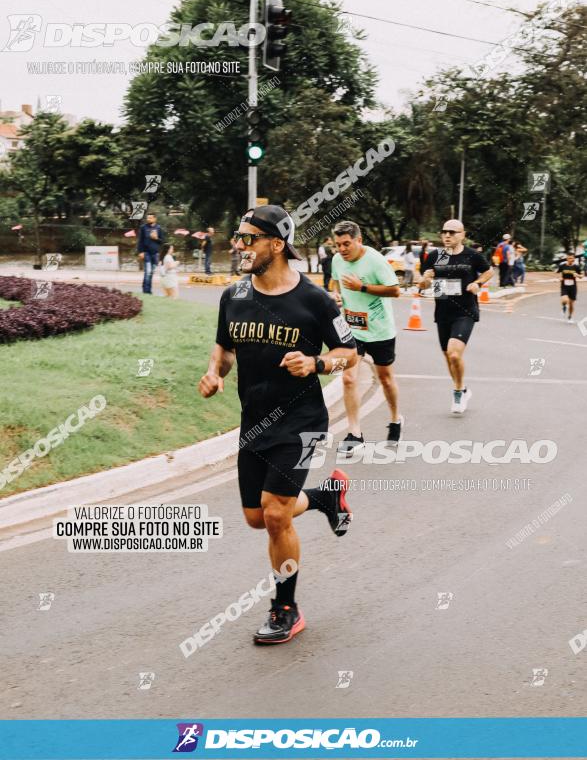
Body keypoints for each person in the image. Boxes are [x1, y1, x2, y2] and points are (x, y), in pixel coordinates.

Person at [199, 204, 358, 645]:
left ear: (277, 243)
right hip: (254, 423)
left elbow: (350, 352)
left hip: (303, 424)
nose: (240, 245)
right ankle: (326, 497)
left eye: (249, 238)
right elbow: (223, 349)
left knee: (274, 514)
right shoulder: (234, 297)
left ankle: (285, 607)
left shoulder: (315, 301)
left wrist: (316, 362)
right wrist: (215, 372)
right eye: (238, 237)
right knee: (256, 518)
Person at [330, 220, 403, 453]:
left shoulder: (376, 261)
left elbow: (395, 290)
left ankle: (395, 419)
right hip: (353, 329)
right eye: (338, 244)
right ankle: (355, 434)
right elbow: (335, 282)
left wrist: (362, 287)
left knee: (386, 379)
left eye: (346, 244)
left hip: (380, 330)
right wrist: (335, 294)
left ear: (359, 240)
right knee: (349, 378)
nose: (342, 249)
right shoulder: (337, 260)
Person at [419, 219, 493, 415]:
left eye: (452, 232)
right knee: (448, 357)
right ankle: (463, 388)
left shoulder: (471, 255)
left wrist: (478, 283)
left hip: (465, 311)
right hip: (442, 311)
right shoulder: (436, 255)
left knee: (454, 353)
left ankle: (458, 392)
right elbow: (423, 284)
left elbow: (488, 271)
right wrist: (425, 280)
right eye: (444, 232)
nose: (447, 235)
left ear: (462, 235)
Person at [137, 212, 164, 294]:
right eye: (147, 218)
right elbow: (140, 241)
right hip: (146, 253)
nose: (148, 219)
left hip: (155, 254)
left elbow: (162, 241)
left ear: (155, 219)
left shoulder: (159, 228)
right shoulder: (143, 228)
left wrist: (156, 238)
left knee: (151, 273)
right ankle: (146, 291)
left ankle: (148, 289)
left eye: (150, 218)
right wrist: (140, 252)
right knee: (148, 271)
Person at [559, 252, 583, 323]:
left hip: (573, 287)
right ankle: (564, 307)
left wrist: (578, 275)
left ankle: (570, 317)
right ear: (567, 258)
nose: (570, 259)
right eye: (569, 258)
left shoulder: (576, 267)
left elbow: (582, 276)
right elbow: (558, 273)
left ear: (574, 259)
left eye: (572, 258)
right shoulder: (563, 266)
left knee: (571, 304)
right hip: (564, 285)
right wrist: (560, 278)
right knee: (564, 300)